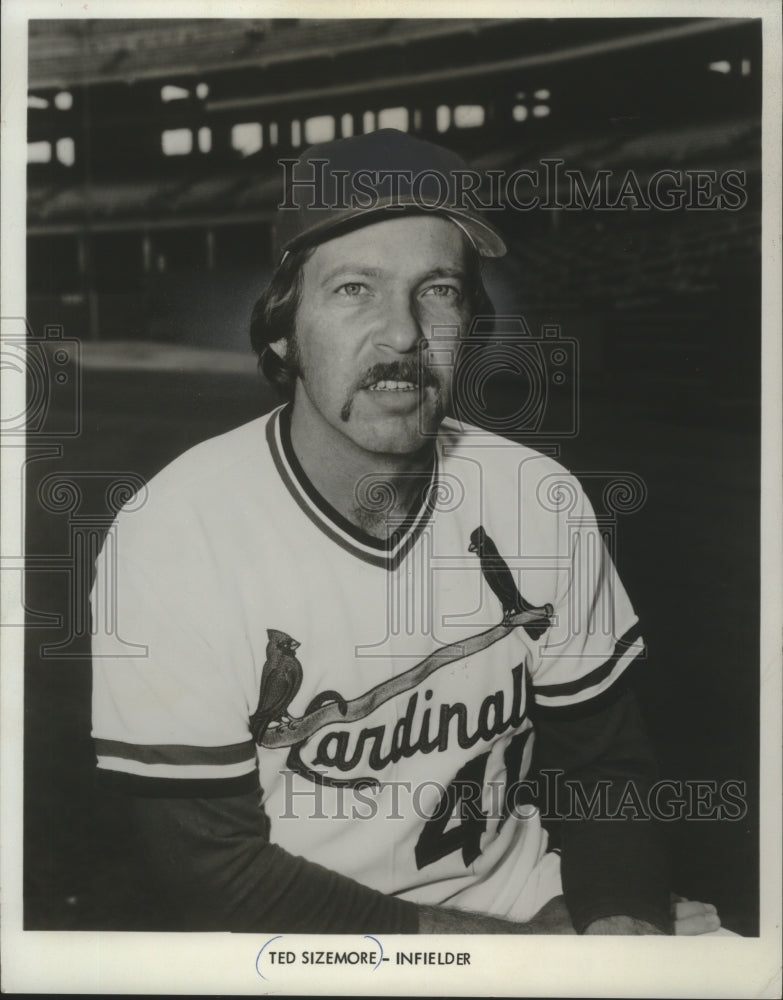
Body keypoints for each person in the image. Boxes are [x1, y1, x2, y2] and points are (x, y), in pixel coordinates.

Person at [91, 129, 721, 936]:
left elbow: (602, 766)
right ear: (283, 330)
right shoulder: (175, 536)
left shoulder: (536, 496)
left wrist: (617, 915)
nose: (402, 334)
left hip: (526, 896)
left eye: (439, 291)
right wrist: (517, 958)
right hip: (302, 937)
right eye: (355, 288)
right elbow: (218, 876)